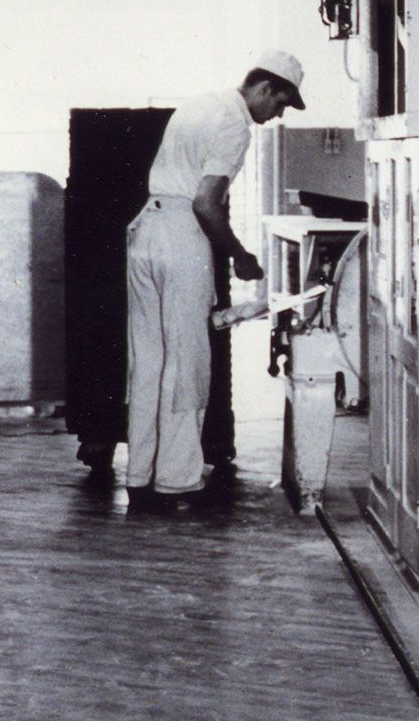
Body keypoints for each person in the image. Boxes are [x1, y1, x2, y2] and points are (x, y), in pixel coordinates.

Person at [124, 49, 304, 511]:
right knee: (186, 364)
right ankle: (175, 482)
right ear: (265, 89)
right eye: (280, 103)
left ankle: (139, 477)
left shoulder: (197, 103)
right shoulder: (234, 124)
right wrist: (240, 256)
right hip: (182, 235)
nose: (276, 115)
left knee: (148, 362)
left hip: (145, 230)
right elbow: (206, 203)